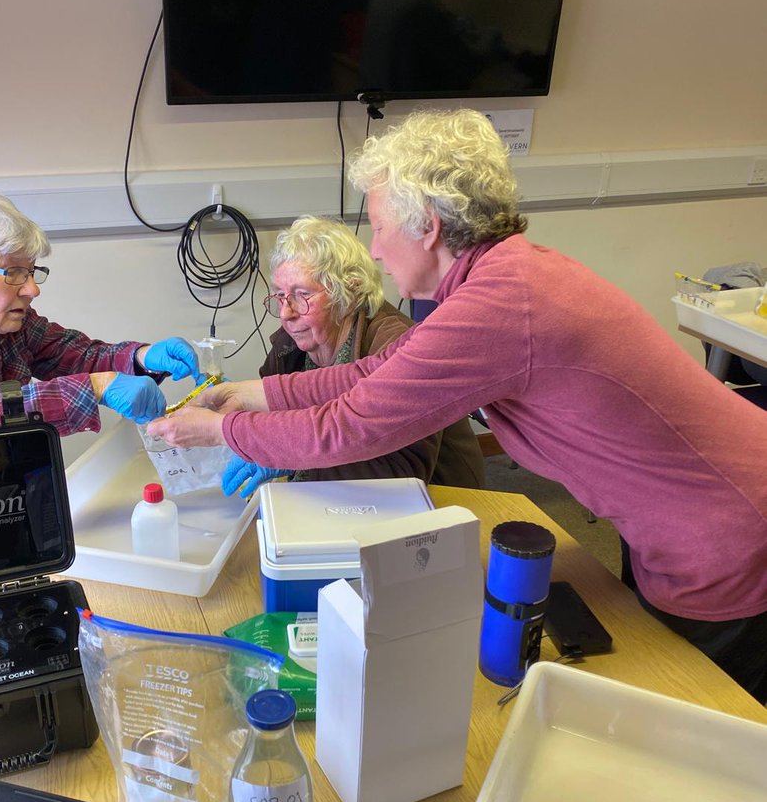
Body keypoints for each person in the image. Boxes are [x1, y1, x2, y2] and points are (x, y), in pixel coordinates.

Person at [148, 109, 767, 702]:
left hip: (724, 531)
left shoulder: (501, 305)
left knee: (705, 719)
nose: (379, 251)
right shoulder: (504, 279)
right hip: (683, 518)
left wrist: (222, 430)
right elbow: (375, 373)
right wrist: (245, 394)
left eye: (380, 228)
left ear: (428, 227)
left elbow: (349, 424)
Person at [0, 192, 200, 436]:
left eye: (31, 271)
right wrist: (96, 387)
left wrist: (143, 357)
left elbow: (77, 355)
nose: (31, 289)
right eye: (12, 272)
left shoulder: (8, 322)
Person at [222, 215, 484, 496]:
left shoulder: (393, 343)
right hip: (344, 499)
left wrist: (291, 457)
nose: (286, 312)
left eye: (302, 294)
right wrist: (223, 401)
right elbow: (267, 412)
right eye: (280, 295)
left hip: (442, 502)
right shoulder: (293, 342)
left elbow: (401, 473)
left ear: (349, 292)